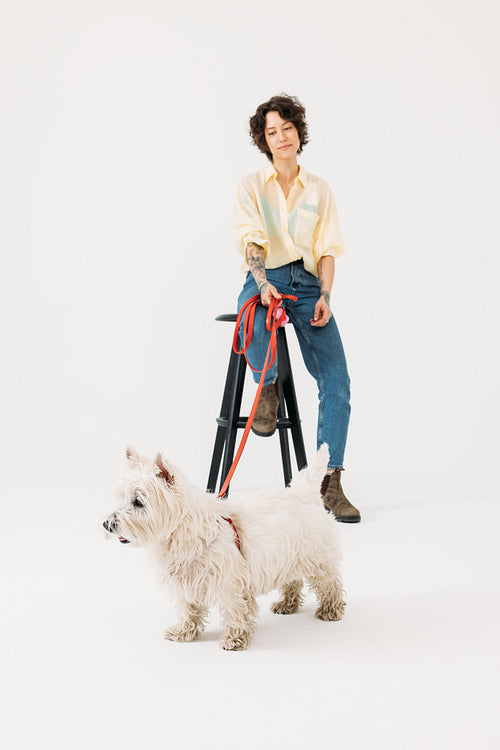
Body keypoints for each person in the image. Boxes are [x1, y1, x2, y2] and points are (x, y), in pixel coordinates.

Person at [232, 94, 360, 523]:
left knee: (337, 380)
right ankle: (267, 386)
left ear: (298, 132)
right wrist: (264, 283)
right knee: (249, 308)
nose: (281, 137)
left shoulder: (320, 189)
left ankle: (330, 481)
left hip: (307, 284)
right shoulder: (251, 185)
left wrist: (325, 296)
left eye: (286, 128)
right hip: (265, 272)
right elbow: (251, 238)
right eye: (272, 132)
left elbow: (326, 250)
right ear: (263, 141)